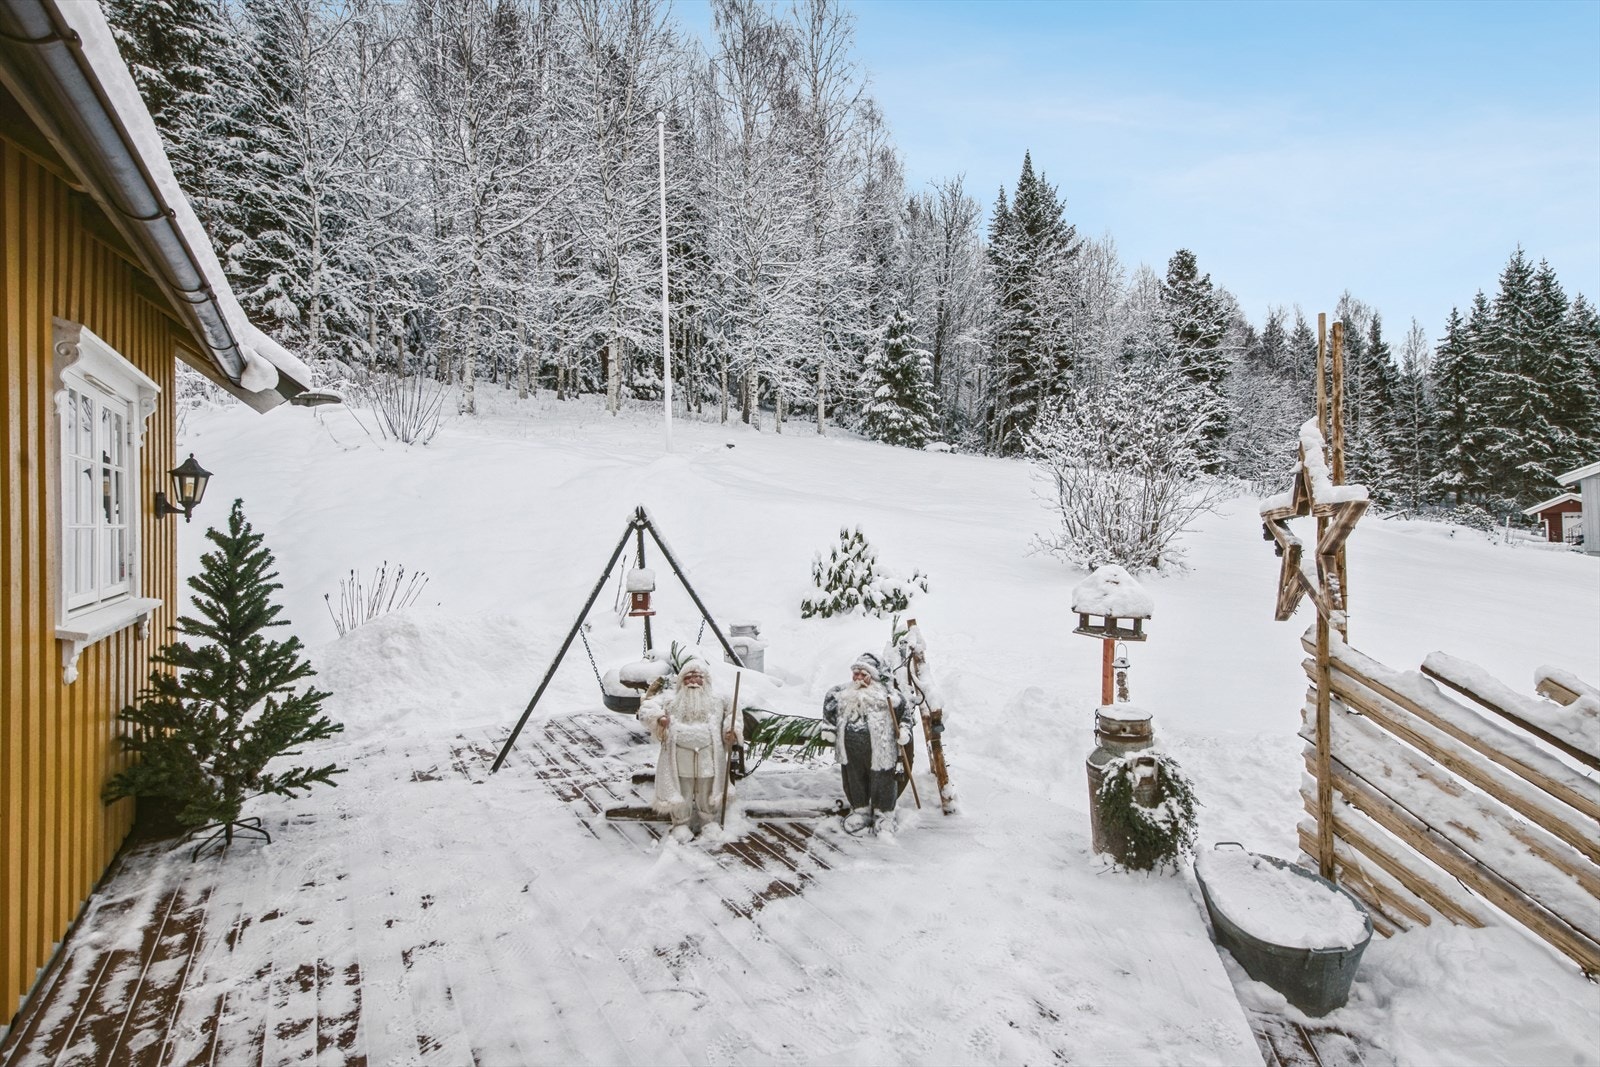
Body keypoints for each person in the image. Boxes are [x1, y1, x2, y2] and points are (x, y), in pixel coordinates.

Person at [638, 659, 741, 842]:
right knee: (682, 789)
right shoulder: (670, 700)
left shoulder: (718, 700)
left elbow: (733, 715)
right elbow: (647, 708)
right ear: (681, 681)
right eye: (688, 678)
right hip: (679, 756)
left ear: (706, 680)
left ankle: (708, 821)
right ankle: (681, 824)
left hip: (708, 756)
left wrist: (731, 730)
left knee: (706, 788)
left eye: (698, 677)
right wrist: (659, 718)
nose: (693, 681)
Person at [821, 652, 914, 836]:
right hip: (851, 752)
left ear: (874, 676)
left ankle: (884, 814)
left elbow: (905, 715)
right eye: (856, 673)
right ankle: (860, 810)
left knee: (883, 779)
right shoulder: (840, 694)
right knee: (854, 779)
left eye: (863, 674)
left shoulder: (890, 697)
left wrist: (904, 730)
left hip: (882, 749)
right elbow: (829, 711)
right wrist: (829, 729)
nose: (858, 678)